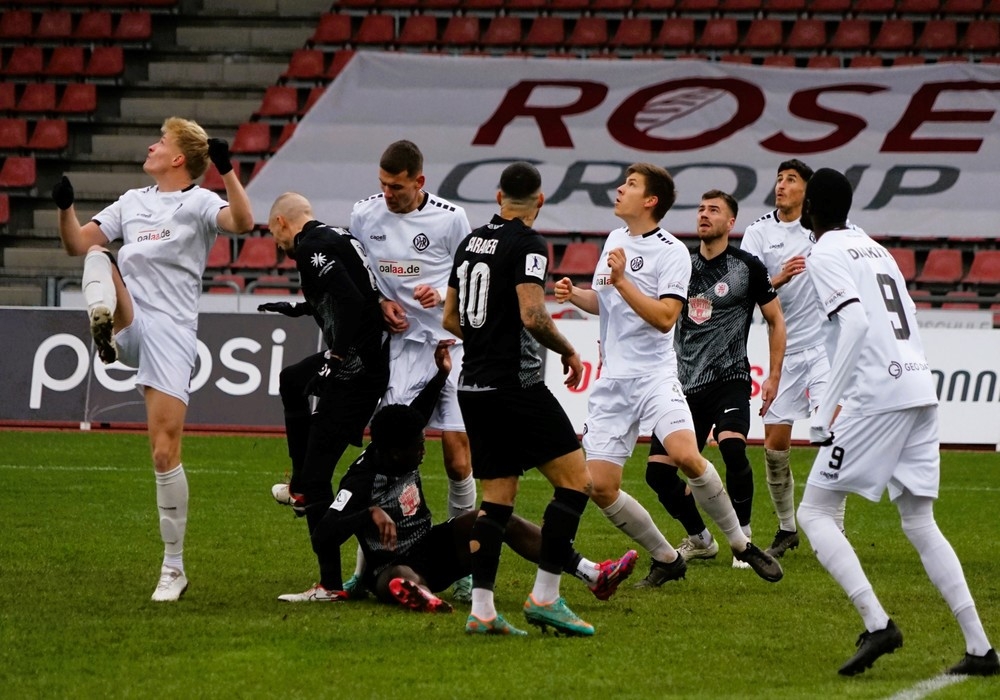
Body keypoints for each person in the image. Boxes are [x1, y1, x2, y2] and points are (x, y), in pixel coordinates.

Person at [796, 168, 999, 677]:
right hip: (918, 387)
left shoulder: (824, 253)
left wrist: (825, 410)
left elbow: (855, 324)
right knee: (919, 521)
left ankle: (877, 623)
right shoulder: (875, 248)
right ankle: (980, 649)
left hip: (877, 394)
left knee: (815, 512)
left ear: (809, 209)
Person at [53, 117, 255, 601]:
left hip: (171, 332)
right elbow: (76, 242)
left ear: (179, 158)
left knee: (164, 453)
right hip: (131, 319)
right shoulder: (131, 201)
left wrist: (227, 171)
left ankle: (173, 568)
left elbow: (243, 223)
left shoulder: (199, 202)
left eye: (161, 142)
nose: (152, 146)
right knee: (97, 255)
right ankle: (103, 320)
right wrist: (65, 207)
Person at [554, 164, 783, 587]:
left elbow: (665, 318)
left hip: (656, 378)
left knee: (686, 456)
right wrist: (576, 296)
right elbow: (606, 302)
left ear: (650, 200)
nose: (619, 189)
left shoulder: (672, 251)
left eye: (630, 184)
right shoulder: (614, 240)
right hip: (613, 383)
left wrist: (622, 282)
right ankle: (667, 556)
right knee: (600, 487)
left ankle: (740, 543)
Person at [282, 341, 637, 612]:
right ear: (394, 453)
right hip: (390, 563)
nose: (423, 451)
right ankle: (419, 595)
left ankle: (592, 573)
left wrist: (441, 374)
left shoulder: (399, 437)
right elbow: (324, 533)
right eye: (417, 447)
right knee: (396, 578)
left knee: (496, 519)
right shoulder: (361, 479)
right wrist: (368, 514)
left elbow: (419, 411)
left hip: (431, 545)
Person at [443, 161, 597, 637]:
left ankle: (483, 611)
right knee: (576, 483)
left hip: (473, 386)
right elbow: (533, 314)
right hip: (515, 385)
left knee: (497, 500)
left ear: (498, 196)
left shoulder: (471, 242)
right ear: (540, 200)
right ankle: (545, 597)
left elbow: (449, 317)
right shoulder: (529, 244)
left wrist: (483, 339)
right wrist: (568, 349)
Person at [350, 140, 477, 601]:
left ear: (419, 182)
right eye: (383, 185)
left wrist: (441, 294)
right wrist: (381, 302)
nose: (388, 194)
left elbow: (471, 278)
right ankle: (365, 568)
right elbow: (359, 275)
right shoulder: (364, 214)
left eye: (398, 187)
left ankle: (463, 568)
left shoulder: (451, 218)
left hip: (450, 344)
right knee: (386, 456)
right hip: (402, 348)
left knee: (457, 459)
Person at [644, 190, 786, 569]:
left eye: (714, 210)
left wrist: (774, 376)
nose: (704, 215)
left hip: (729, 377)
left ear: (731, 222)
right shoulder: (681, 263)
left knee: (732, 447)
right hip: (683, 385)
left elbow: (775, 320)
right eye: (701, 209)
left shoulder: (747, 267)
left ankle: (744, 538)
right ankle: (701, 539)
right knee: (658, 474)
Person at [263, 192, 389, 577]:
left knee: (319, 478)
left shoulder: (309, 247)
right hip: (366, 363)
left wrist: (335, 358)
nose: (277, 244)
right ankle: (299, 482)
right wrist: (298, 308)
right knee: (291, 380)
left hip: (356, 370)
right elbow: (350, 293)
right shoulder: (338, 235)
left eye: (274, 234)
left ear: (282, 222)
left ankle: (330, 582)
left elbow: (350, 301)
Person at [740, 160, 830, 558]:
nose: (781, 185)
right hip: (784, 351)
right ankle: (787, 528)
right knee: (775, 448)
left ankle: (834, 528)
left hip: (826, 349)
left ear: (806, 191)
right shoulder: (759, 232)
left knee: (831, 436)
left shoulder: (824, 228)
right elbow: (741, 290)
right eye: (778, 179)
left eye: (791, 180)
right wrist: (777, 278)